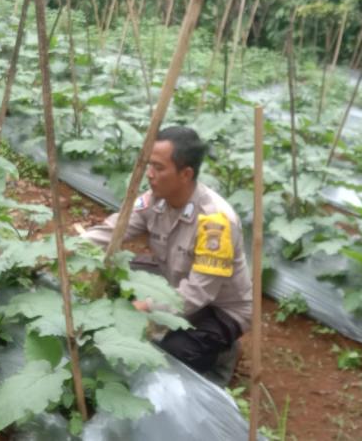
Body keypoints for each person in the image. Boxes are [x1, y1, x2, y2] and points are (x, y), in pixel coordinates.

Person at [83, 126, 251, 379]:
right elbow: (114, 230)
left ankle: (223, 354)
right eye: (149, 165)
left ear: (185, 174)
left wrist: (146, 307)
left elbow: (198, 293)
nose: (149, 175)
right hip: (176, 281)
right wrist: (69, 247)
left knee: (174, 352)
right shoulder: (155, 199)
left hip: (219, 308)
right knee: (118, 270)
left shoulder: (216, 222)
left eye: (159, 168)